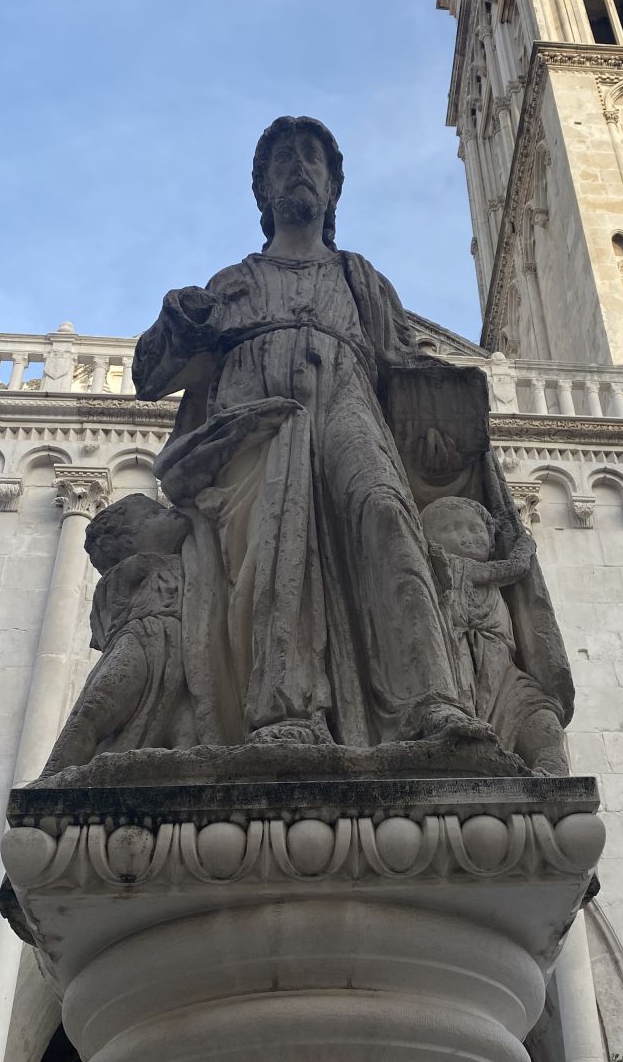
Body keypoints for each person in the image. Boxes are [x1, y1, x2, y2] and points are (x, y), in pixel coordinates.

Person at [131, 116, 486, 750]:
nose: (299, 167)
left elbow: (404, 369)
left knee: (385, 512)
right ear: (263, 193)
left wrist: (439, 436)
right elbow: (151, 375)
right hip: (254, 429)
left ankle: (432, 701)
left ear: (332, 189)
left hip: (348, 407)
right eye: (283, 161)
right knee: (275, 543)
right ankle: (285, 711)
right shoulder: (234, 282)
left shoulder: (360, 279)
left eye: (312, 159)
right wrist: (177, 319)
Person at [42, 495, 193, 775]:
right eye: (153, 516)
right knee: (100, 704)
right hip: (141, 640)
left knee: (186, 717)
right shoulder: (128, 570)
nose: (167, 515)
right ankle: (54, 772)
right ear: (126, 543)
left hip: (181, 646)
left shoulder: (189, 560)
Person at [422, 496, 567, 775]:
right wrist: (524, 547)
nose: (467, 538)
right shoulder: (454, 566)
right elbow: (511, 569)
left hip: (504, 676)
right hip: (463, 663)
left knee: (540, 715)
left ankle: (550, 763)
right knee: (463, 718)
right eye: (452, 529)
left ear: (490, 541)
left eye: (474, 530)